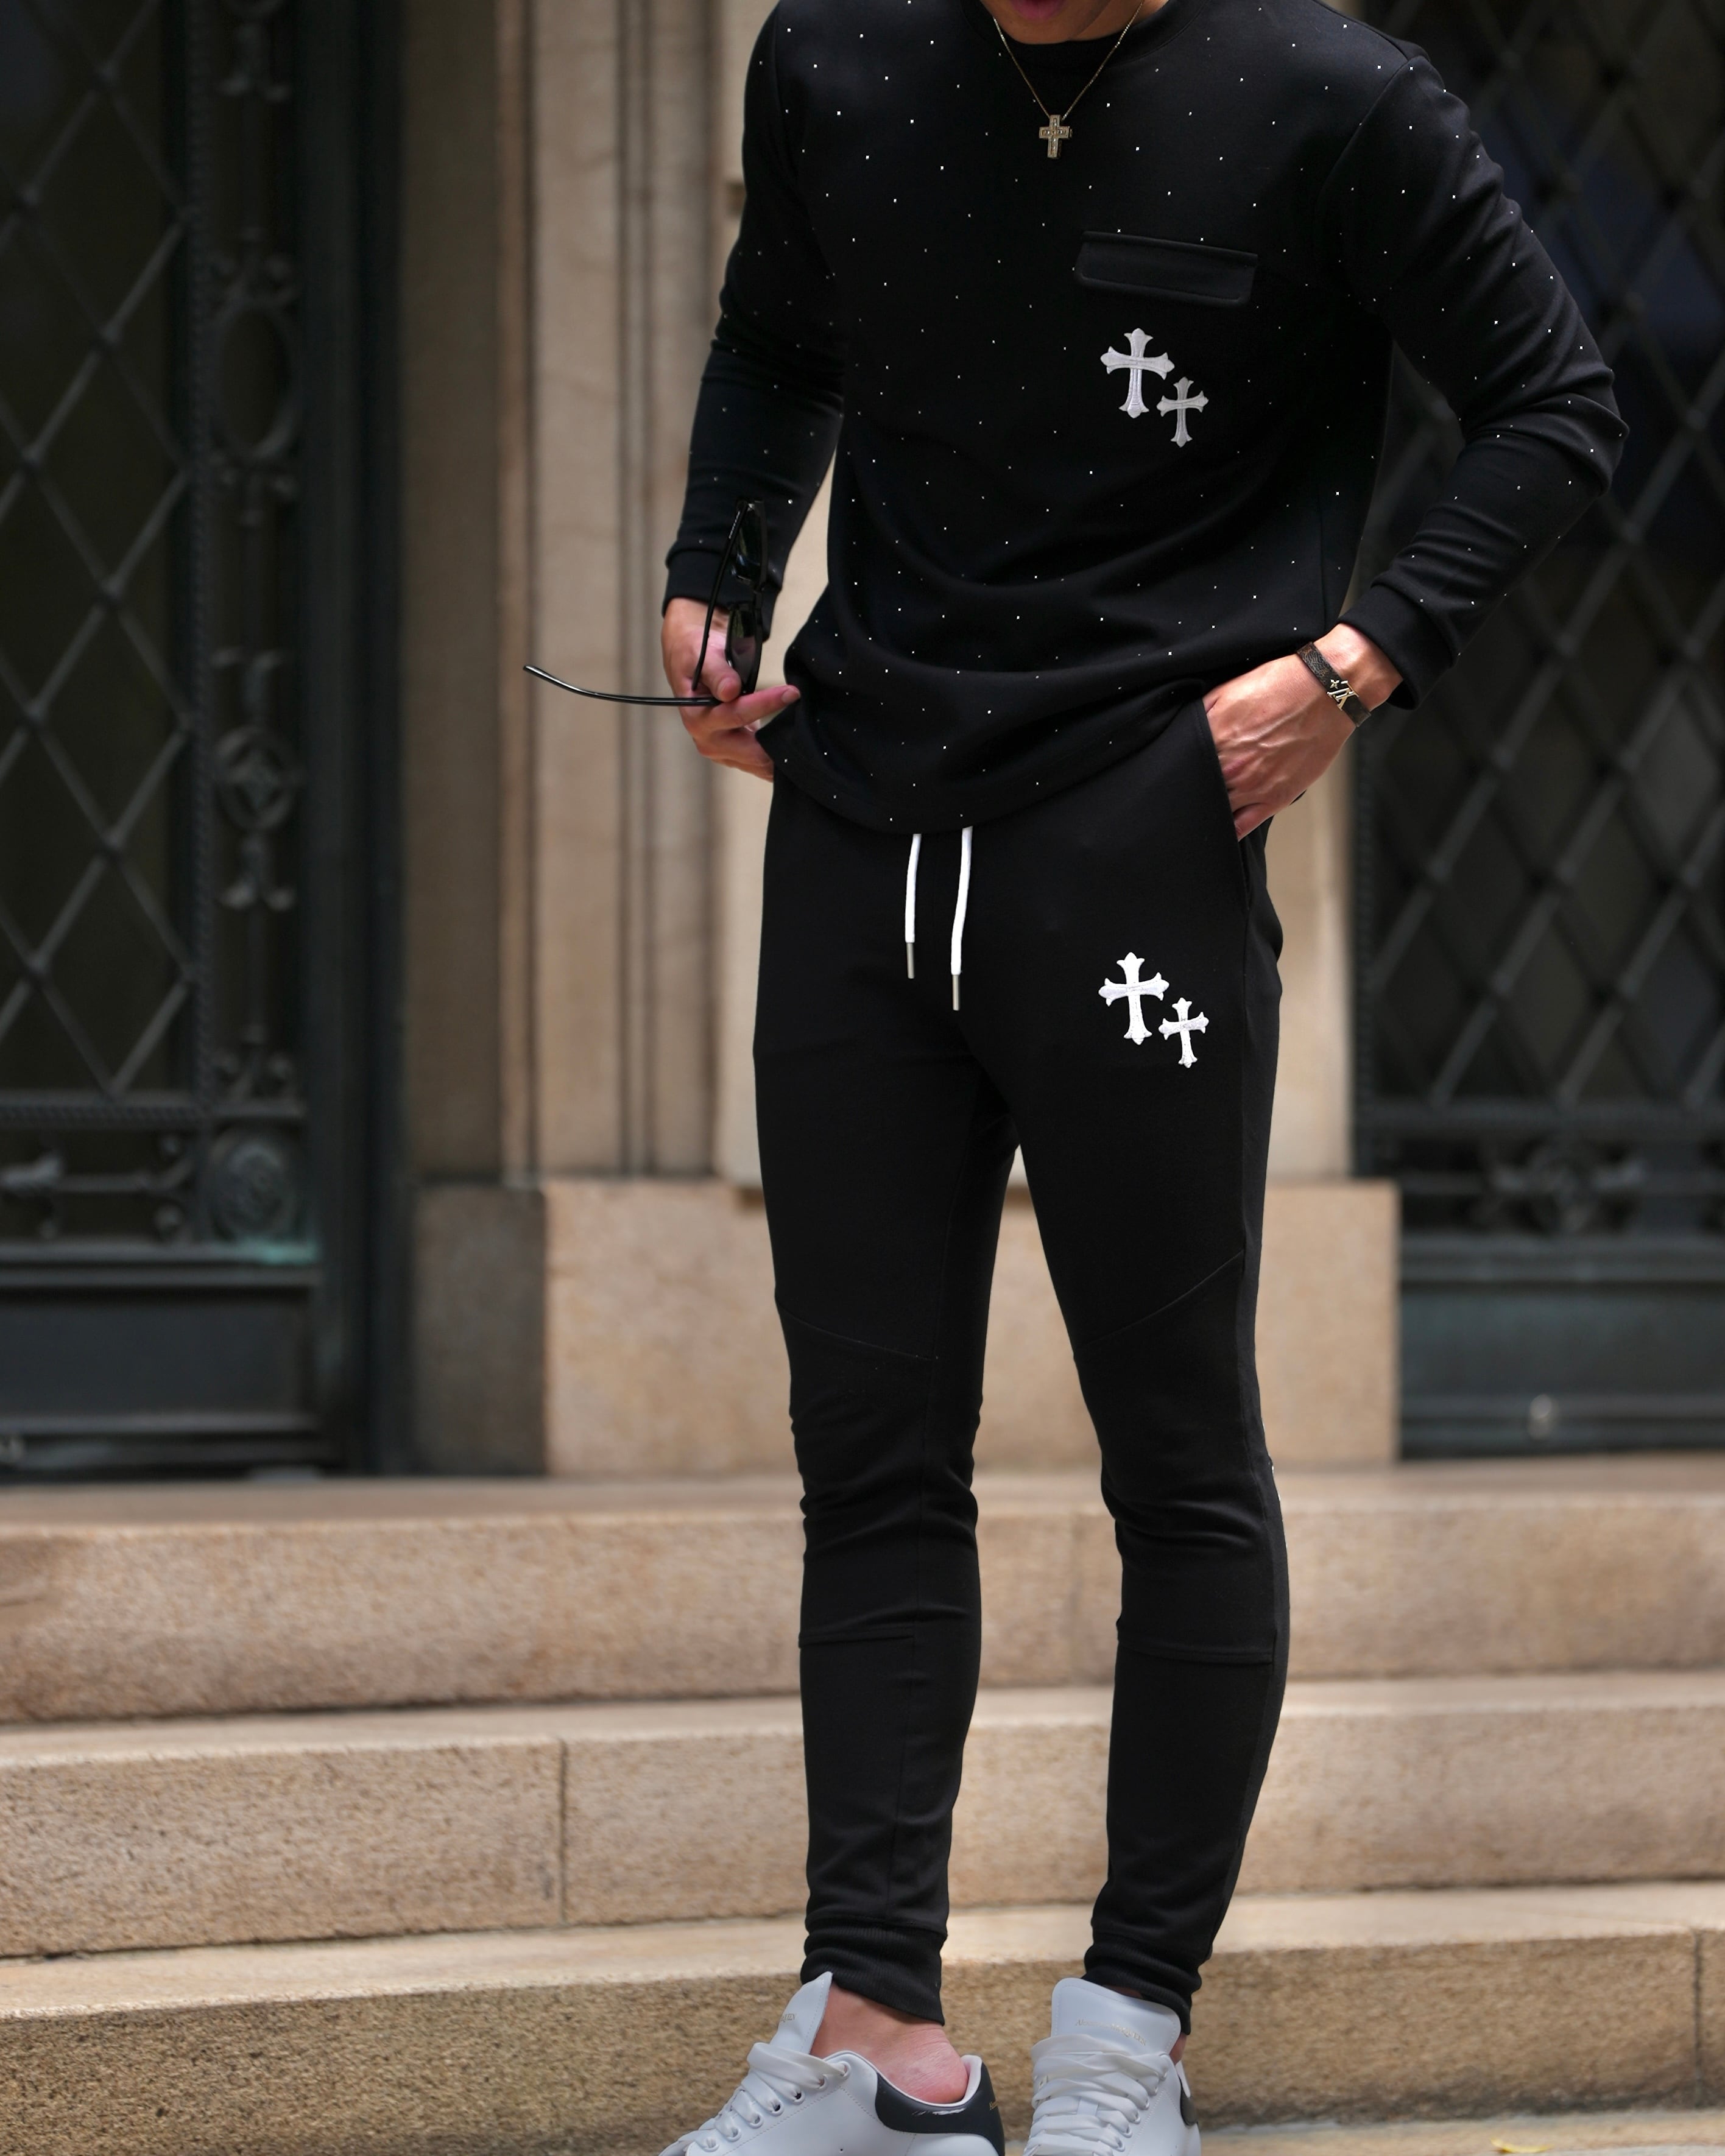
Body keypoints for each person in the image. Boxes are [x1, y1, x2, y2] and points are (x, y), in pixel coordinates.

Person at [655, 0, 1624, 2149]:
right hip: (859, 823)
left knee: (1178, 1457)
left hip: (1141, 835)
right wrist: (713, 577)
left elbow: (1557, 403)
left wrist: (1357, 665)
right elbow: (776, 341)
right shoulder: (835, 58)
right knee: (870, 1452)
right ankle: (877, 2038)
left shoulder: (1335, 97)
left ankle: (1128, 2035)